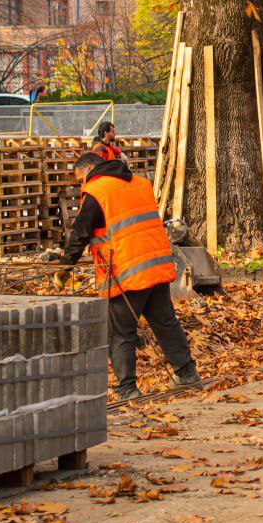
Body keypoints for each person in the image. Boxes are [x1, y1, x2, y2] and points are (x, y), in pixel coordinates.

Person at [60, 151, 199, 399]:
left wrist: (63, 268)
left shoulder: (97, 191)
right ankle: (188, 374)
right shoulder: (139, 183)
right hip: (156, 266)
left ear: (89, 170)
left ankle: (127, 388)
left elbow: (80, 233)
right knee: (165, 323)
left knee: (120, 332)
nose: (81, 185)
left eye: (80, 180)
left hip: (125, 272)